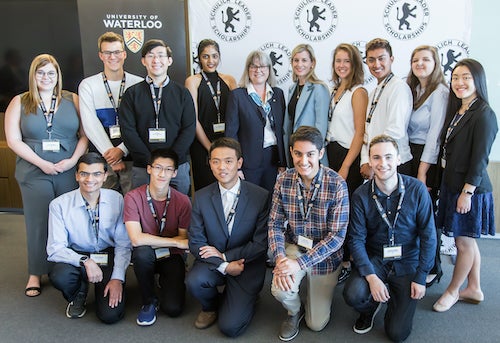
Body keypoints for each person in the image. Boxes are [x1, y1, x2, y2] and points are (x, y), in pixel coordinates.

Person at [4, 54, 87, 297]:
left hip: (68, 170)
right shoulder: (19, 102)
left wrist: (72, 161)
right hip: (34, 171)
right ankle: (35, 272)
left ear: (58, 75)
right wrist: (42, 163)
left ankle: (70, 266)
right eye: (40, 73)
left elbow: (85, 135)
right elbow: (13, 140)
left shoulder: (73, 100)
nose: (46, 77)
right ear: (33, 76)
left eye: (51, 73)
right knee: (38, 221)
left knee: (70, 220)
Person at [343, 134, 436, 342]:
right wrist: (371, 277)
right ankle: (370, 308)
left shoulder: (417, 190)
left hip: (407, 259)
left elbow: (429, 236)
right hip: (376, 258)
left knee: (397, 334)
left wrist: (421, 277)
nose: (382, 163)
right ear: (369, 161)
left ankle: (395, 298)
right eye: (376, 158)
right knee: (353, 294)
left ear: (399, 159)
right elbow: (356, 239)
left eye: (388, 157)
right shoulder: (360, 195)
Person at [268, 126, 349, 341]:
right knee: (280, 290)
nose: (304, 161)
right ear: (292, 152)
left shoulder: (337, 184)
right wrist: (280, 258)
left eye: (310, 154)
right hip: (295, 247)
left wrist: (299, 265)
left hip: (325, 256)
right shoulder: (283, 180)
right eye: (298, 154)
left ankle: (320, 285)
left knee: (316, 325)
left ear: (321, 153)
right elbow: (275, 224)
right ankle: (294, 311)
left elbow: (337, 237)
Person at [432, 59, 498, 312]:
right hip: (453, 183)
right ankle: (474, 287)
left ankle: (453, 291)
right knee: (468, 240)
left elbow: (480, 160)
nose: (459, 83)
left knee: (463, 244)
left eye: (466, 77)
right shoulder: (459, 110)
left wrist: (467, 192)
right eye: (456, 77)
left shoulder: (484, 114)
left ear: (478, 81)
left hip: (469, 189)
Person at [186, 137, 269, 337]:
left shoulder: (260, 196)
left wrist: (226, 256)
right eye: (215, 161)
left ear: (239, 163)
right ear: (210, 164)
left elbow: (260, 244)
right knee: (194, 281)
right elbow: (196, 242)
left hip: (245, 265)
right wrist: (223, 265)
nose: (222, 167)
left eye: (228, 161)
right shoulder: (202, 197)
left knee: (230, 328)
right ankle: (211, 306)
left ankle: (245, 299)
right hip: (214, 263)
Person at [47, 153, 131, 323]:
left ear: (105, 176)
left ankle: (108, 283)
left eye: (97, 174)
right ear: (76, 175)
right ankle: (78, 292)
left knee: (110, 316)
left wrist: (117, 278)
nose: (90, 179)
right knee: (59, 276)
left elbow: (123, 243)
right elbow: (55, 249)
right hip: (78, 254)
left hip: (107, 254)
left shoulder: (117, 199)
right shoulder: (59, 205)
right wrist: (85, 260)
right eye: (84, 173)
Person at [124, 148, 191, 326]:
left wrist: (177, 243)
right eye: (158, 167)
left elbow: (183, 240)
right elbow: (136, 239)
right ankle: (149, 301)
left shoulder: (183, 201)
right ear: (149, 169)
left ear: (175, 173)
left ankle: (165, 279)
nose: (162, 173)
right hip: (145, 253)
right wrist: (175, 242)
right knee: (142, 253)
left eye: (168, 169)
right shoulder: (132, 197)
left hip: (171, 255)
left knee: (174, 309)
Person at [119, 39, 196, 194]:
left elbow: (189, 128)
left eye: (161, 55)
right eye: (150, 56)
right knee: (143, 212)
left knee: (179, 211)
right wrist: (151, 162)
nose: (156, 60)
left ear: (169, 60)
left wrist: (169, 161)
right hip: (144, 167)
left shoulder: (182, 93)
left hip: (177, 166)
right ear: (143, 61)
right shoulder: (132, 94)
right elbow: (128, 131)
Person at [78, 32, 143, 194]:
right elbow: (90, 124)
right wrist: (111, 156)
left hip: (132, 156)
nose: (112, 57)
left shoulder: (139, 84)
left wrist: (122, 150)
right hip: (101, 159)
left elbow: (142, 123)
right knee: (104, 206)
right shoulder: (88, 85)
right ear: (101, 55)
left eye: (116, 52)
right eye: (107, 52)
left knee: (133, 207)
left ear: (124, 54)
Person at [406, 45, 449, 287]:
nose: (420, 64)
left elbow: (435, 135)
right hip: (411, 154)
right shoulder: (414, 89)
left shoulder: (440, 92)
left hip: (427, 159)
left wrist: (422, 171)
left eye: (425, 60)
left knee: (427, 215)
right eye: (416, 60)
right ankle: (416, 261)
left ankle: (434, 267)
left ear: (436, 64)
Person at [325, 43, 368, 284]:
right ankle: (336, 255)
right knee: (333, 211)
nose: (341, 65)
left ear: (354, 65)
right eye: (337, 61)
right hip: (331, 153)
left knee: (347, 212)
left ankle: (348, 261)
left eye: (346, 61)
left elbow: (359, 133)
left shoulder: (358, 92)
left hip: (346, 157)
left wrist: (345, 166)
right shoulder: (335, 90)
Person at [225, 50, 286, 194]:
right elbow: (231, 134)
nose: (258, 70)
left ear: (269, 70)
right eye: (254, 66)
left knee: (271, 201)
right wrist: (236, 165)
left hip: (273, 160)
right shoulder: (238, 96)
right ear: (248, 70)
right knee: (250, 201)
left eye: (263, 66)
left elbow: (281, 130)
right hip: (248, 161)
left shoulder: (278, 94)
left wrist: (283, 162)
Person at [185, 39, 237, 191]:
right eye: (205, 56)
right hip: (203, 146)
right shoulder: (193, 81)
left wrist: (227, 147)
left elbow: (237, 115)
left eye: (214, 56)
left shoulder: (229, 80)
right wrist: (210, 147)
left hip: (227, 144)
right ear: (199, 58)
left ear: (219, 57)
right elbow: (192, 119)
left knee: (228, 187)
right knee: (206, 189)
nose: (210, 61)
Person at [360, 38, 412, 180]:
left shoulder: (398, 87)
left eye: (381, 59)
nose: (376, 64)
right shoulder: (374, 92)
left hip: (393, 164)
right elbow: (368, 131)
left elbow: (395, 130)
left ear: (391, 59)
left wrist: (374, 162)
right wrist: (366, 160)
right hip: (378, 163)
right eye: (371, 60)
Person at [283, 44, 330, 166]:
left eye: (304, 60)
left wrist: (312, 153)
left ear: (312, 63)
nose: (299, 64)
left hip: (310, 154)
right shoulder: (292, 89)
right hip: (295, 151)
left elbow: (321, 127)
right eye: (296, 60)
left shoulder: (319, 88)